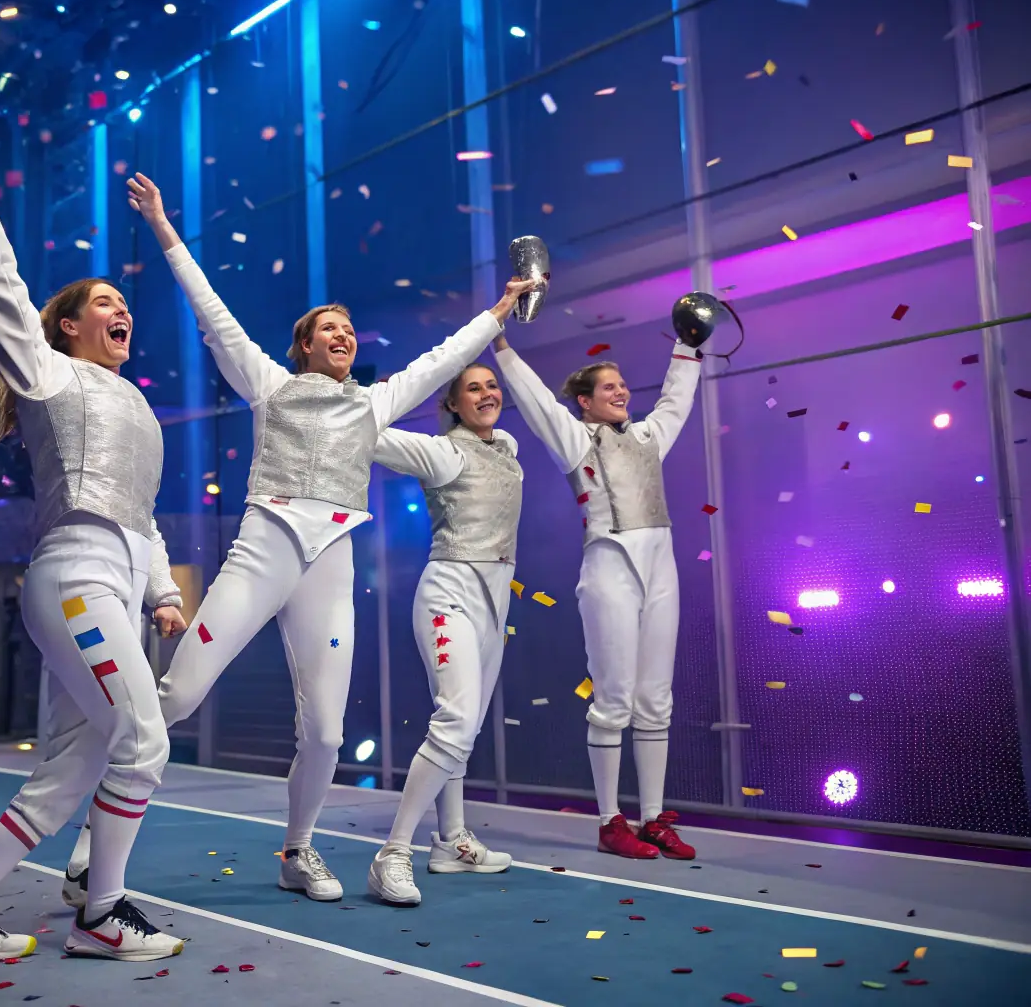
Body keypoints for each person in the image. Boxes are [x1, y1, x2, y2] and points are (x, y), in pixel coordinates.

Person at [126, 171, 534, 902]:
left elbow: (441, 359)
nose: (343, 334)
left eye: (349, 328)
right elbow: (210, 310)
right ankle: (101, 830)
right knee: (179, 694)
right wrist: (162, 226)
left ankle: (298, 850)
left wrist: (499, 311)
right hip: (265, 546)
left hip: (331, 559)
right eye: (328, 328)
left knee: (323, 736)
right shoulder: (267, 383)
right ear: (303, 346)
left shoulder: (374, 405)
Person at [0, 71, 188, 965]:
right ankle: (102, 914)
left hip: (113, 586)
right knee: (142, 740)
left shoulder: (136, 408)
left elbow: (140, 519)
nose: (120, 311)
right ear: (63, 327)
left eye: (124, 305)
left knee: (71, 769)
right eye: (102, 302)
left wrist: (162, 595)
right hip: (71, 580)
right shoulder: (48, 374)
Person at [492, 330, 703, 860]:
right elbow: (539, 402)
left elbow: (677, 398)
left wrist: (689, 347)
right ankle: (612, 820)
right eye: (608, 387)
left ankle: (652, 817)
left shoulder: (650, 437)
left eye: (623, 385)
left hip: (661, 569)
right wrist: (501, 348)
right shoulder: (575, 438)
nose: (621, 392)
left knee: (656, 699)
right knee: (613, 699)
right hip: (608, 567)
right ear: (585, 400)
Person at [365, 361, 522, 904]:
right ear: (452, 403)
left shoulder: (507, 447)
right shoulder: (442, 451)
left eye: (491, 385)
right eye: (472, 388)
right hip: (447, 597)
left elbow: (501, 440)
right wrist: (338, 405)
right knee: (454, 719)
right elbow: (371, 436)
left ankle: (451, 840)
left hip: (495, 604)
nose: (486, 393)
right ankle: (394, 853)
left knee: (466, 729)